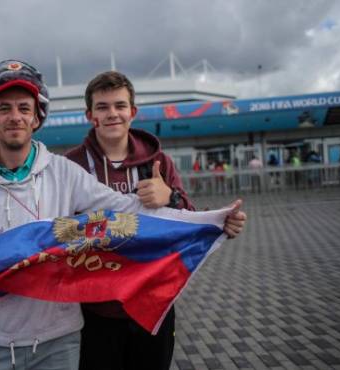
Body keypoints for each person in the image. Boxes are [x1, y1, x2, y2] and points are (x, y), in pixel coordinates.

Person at [0, 60, 246, 370]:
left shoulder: (64, 172)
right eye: (5, 108)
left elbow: (124, 210)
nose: (15, 116)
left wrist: (210, 219)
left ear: (37, 117)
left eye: (24, 108)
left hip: (61, 337)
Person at [65, 71, 246, 370]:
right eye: (103, 107)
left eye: (120, 106)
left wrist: (171, 198)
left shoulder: (158, 162)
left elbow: (187, 219)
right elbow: (55, 228)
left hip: (153, 305)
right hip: (94, 311)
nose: (112, 114)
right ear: (90, 115)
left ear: (132, 112)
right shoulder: (71, 165)